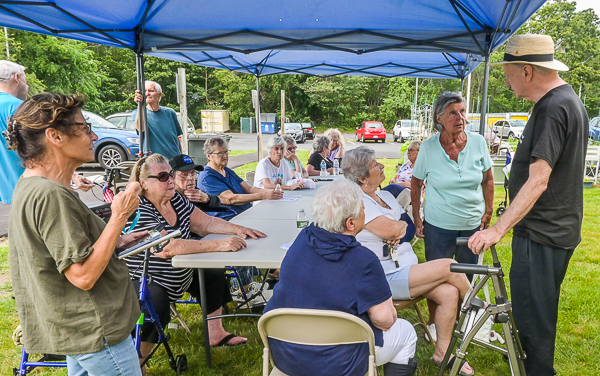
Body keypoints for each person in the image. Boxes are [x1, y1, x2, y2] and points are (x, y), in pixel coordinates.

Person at [468, 34, 589, 376]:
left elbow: (539, 179)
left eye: (506, 70)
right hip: (553, 230)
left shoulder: (554, 107)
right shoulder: (562, 101)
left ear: (526, 71)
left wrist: (497, 229)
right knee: (536, 317)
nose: (505, 79)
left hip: (543, 234)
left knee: (534, 327)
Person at [7, 93, 144, 375]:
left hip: (79, 332)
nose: (94, 136)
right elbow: (82, 276)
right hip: (95, 331)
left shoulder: (31, 184)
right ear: (54, 136)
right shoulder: (50, 195)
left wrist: (114, 242)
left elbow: (62, 253)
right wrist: (118, 217)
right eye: (84, 128)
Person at [343, 147, 475, 376]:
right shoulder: (358, 203)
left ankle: (442, 352)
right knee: (448, 266)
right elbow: (396, 227)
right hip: (382, 276)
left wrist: (399, 226)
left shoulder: (384, 196)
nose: (382, 166)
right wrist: (398, 226)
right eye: (376, 165)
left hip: (406, 267)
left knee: (448, 293)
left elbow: (409, 227)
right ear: (363, 178)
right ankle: (477, 309)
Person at [265, 179, 418, 376]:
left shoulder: (301, 240)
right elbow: (385, 320)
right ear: (351, 223)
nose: (367, 212)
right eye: (364, 208)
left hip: (286, 352)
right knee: (406, 333)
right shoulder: (363, 260)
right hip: (341, 361)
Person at [125, 154, 267, 360]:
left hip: (181, 272)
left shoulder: (175, 198)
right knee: (155, 303)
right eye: (163, 176)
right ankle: (139, 361)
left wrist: (239, 229)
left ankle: (216, 334)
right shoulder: (140, 208)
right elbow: (168, 247)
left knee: (213, 274)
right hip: (146, 279)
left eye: (171, 175)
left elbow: (205, 223)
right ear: (144, 184)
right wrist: (219, 244)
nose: (171, 180)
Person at [410, 92, 494, 342]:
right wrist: (417, 217)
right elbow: (415, 184)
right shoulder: (429, 148)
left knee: (466, 279)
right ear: (439, 118)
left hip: (472, 225)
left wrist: (489, 211)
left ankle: (461, 322)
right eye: (453, 113)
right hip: (438, 226)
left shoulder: (478, 142)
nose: (460, 118)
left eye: (462, 112)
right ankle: (436, 326)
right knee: (436, 280)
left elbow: (488, 179)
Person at [0, 60, 92, 204]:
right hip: (36, 191)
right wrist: (71, 176)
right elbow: (50, 146)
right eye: (25, 79)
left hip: (10, 192)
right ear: (17, 78)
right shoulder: (21, 109)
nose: (27, 85)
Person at [198, 136, 283, 219]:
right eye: (220, 153)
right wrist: (264, 195)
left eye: (226, 152)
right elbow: (231, 199)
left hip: (246, 213)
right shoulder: (207, 177)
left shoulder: (227, 170)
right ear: (209, 156)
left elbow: (249, 189)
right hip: (230, 220)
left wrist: (272, 192)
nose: (225, 156)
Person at [133, 80, 182, 159]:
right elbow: (140, 129)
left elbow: (176, 138)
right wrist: (141, 106)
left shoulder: (170, 113)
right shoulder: (138, 113)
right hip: (154, 162)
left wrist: (181, 158)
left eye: (151, 91)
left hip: (174, 160)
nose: (147, 93)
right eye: (145, 91)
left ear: (159, 95)